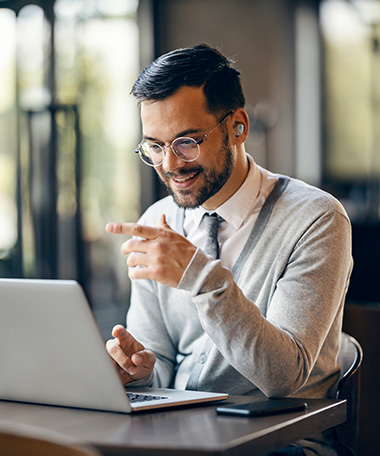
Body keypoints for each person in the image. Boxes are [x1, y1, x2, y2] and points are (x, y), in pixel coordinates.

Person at [105, 44, 352, 456]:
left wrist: (201, 278)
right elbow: (160, 362)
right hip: (181, 437)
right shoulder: (158, 219)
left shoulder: (317, 218)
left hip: (281, 443)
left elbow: (282, 376)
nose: (170, 164)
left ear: (237, 126)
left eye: (186, 142)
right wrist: (139, 371)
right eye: (154, 146)